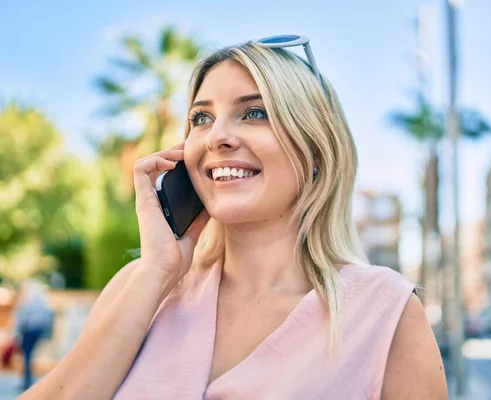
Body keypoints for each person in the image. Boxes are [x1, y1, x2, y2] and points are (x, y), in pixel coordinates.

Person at [19, 35, 447, 399]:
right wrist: (157, 271)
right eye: (201, 118)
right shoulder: (142, 284)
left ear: (316, 149)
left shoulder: (386, 313)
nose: (217, 137)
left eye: (254, 112)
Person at [14, 279, 54, 390]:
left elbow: (21, 318)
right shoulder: (43, 301)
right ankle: (29, 380)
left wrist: (17, 335)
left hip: (28, 330)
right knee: (29, 355)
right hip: (38, 331)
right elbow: (48, 316)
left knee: (27, 355)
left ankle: (27, 381)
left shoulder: (27, 300)